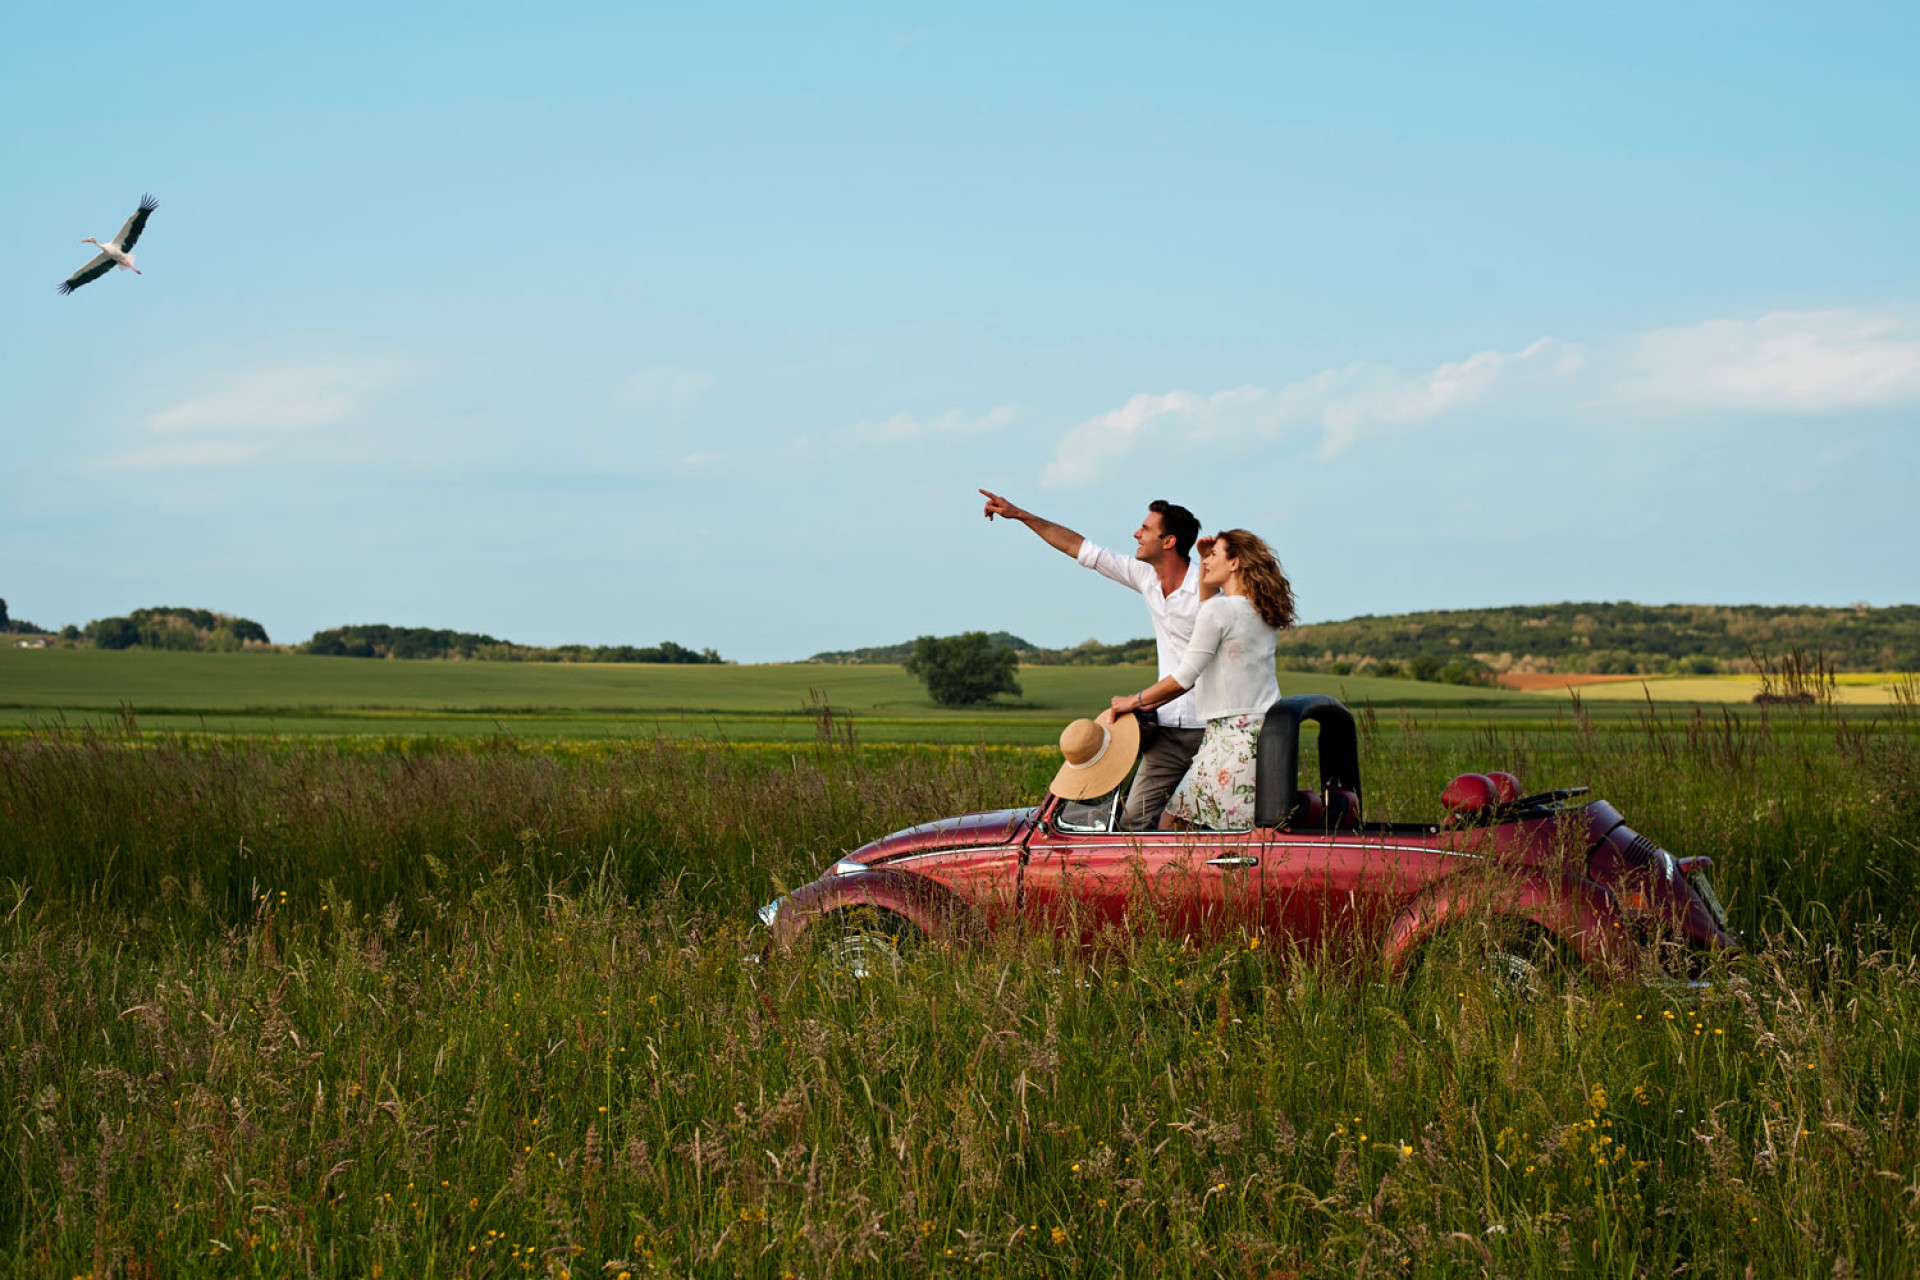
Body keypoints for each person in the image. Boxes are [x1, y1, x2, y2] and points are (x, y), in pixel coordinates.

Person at [979, 489, 1206, 830]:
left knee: (1204, 822)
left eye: (1145, 528)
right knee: (1134, 821)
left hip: (1214, 729)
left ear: (1169, 541)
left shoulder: (1209, 588)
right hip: (1169, 732)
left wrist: (1137, 700)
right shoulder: (1146, 578)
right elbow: (1080, 548)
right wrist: (1020, 514)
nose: (1136, 533)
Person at [1108, 530, 1296, 831]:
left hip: (1229, 737)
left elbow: (1184, 676)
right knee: (1230, 829)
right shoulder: (1258, 609)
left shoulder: (1219, 610)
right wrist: (1203, 560)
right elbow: (1209, 608)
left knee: (1175, 825)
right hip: (1260, 730)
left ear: (1234, 563)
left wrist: (1135, 700)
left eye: (1214, 556)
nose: (1206, 563)